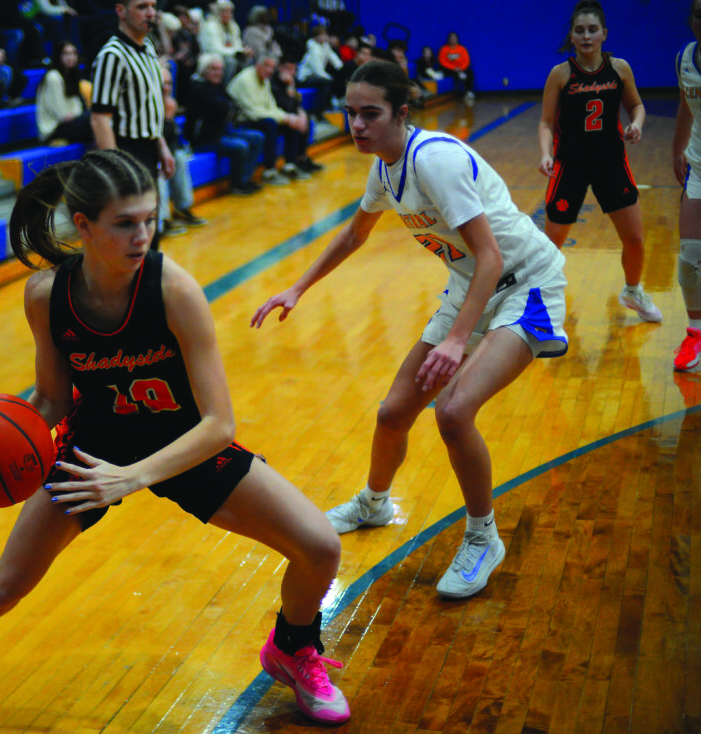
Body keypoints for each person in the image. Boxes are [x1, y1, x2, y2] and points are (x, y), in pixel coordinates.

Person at [0, 149, 351, 734]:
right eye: (125, 223)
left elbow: (218, 425)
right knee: (2, 588)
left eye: (149, 219)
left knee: (320, 547)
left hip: (182, 443)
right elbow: (52, 398)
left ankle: (292, 649)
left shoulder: (173, 290)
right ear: (83, 225)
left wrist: (133, 476)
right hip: (91, 448)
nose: (143, 236)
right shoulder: (45, 295)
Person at [251, 61, 569, 600]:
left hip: (526, 284)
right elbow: (355, 235)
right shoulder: (384, 168)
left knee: (453, 411)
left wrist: (455, 339)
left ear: (401, 114)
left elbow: (491, 257)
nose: (356, 125)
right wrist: (298, 288)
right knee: (394, 413)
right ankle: (374, 504)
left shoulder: (434, 161)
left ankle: (483, 537)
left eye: (369, 114)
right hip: (470, 285)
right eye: (350, 113)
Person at [538, 1, 660, 324]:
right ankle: (540, 301)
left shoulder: (619, 69)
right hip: (569, 166)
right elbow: (546, 122)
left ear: (604, 34)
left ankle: (633, 291)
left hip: (611, 164)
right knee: (551, 244)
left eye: (593, 30)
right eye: (580, 30)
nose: (586, 36)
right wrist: (546, 154)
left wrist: (637, 124)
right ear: (572, 36)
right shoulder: (560, 74)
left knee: (635, 240)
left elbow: (637, 106)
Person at [90, 0, 174, 251]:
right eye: (141, 7)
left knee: (151, 236)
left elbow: (148, 105)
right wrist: (117, 170)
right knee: (134, 241)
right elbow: (100, 118)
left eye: (153, 6)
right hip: (127, 152)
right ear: (120, 11)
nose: (150, 13)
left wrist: (160, 144)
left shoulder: (148, 47)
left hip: (148, 149)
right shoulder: (112, 56)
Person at [672, 0, 701, 370]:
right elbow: (686, 105)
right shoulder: (685, 58)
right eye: (700, 15)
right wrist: (677, 148)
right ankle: (698, 333)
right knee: (690, 263)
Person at [185, 52, 264, 195]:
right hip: (204, 139)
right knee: (241, 146)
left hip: (222, 132)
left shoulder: (217, 86)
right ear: (203, 70)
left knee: (257, 137)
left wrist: (228, 110)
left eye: (220, 69)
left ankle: (246, 179)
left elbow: (233, 104)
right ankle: (237, 185)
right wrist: (228, 111)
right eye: (214, 69)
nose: (218, 73)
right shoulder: (198, 88)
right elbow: (224, 108)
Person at [227, 52, 309, 185]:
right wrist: (285, 117)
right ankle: (269, 171)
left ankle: (290, 165)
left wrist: (289, 118)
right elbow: (253, 112)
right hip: (240, 122)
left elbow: (271, 107)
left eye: (272, 67)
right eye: (266, 66)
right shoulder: (246, 80)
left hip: (257, 118)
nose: (270, 70)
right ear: (257, 65)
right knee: (270, 124)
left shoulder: (264, 80)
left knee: (290, 123)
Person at [157, 63, 206, 236]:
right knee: (158, 166)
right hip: (145, 153)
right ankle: (162, 220)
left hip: (163, 149)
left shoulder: (170, 103)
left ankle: (183, 208)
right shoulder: (146, 105)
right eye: (162, 83)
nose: (166, 88)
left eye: (169, 83)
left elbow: (172, 139)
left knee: (178, 157)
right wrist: (167, 119)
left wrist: (169, 120)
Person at [271, 58, 323, 175]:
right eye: (288, 69)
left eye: (294, 69)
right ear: (280, 67)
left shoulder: (288, 80)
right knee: (294, 123)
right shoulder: (273, 83)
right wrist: (290, 87)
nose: (292, 72)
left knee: (305, 118)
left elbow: (296, 103)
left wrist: (301, 112)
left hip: (286, 115)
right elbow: (286, 106)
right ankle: (292, 162)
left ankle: (302, 157)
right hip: (274, 117)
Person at [36, 40, 92, 144]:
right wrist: (75, 114)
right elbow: (62, 114)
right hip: (54, 130)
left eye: (74, 54)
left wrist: (74, 114)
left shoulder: (72, 76)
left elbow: (78, 106)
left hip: (70, 123)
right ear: (58, 56)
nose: (71, 57)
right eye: (66, 54)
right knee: (94, 117)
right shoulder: (53, 77)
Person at [297, 23, 347, 118]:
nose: (325, 37)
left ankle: (336, 102)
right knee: (327, 82)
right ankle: (322, 109)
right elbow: (318, 70)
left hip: (316, 75)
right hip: (305, 77)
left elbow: (333, 58)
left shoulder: (325, 46)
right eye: (322, 35)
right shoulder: (313, 49)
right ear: (316, 37)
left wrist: (342, 69)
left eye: (325, 34)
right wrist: (329, 78)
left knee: (337, 78)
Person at [197, 0, 245, 82]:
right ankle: (225, 86)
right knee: (230, 62)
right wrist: (236, 52)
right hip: (210, 56)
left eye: (229, 12)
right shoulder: (211, 26)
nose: (227, 14)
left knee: (246, 60)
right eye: (224, 11)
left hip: (228, 54)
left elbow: (237, 44)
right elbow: (216, 49)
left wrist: (242, 52)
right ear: (217, 12)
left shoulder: (233, 26)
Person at [438, 31, 474, 103]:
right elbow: (442, 62)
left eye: (454, 38)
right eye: (451, 38)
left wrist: (461, 68)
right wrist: (454, 68)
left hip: (461, 69)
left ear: (457, 39)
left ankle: (468, 92)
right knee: (443, 70)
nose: (453, 40)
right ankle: (459, 75)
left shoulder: (462, 49)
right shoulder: (444, 49)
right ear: (448, 39)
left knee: (470, 72)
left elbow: (467, 60)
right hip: (450, 69)